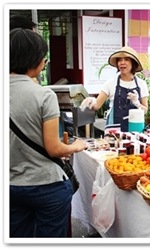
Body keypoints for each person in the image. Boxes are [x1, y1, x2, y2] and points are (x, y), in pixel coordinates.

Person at [10, 28, 88, 237]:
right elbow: (54, 148)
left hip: (10, 186)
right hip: (46, 186)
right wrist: (75, 146)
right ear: (35, 60)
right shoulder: (44, 95)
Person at [81, 46, 149, 132]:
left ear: (133, 63)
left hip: (135, 129)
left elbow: (145, 110)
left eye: (126, 59)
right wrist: (91, 101)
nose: (122, 63)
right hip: (114, 130)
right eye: (120, 60)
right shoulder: (110, 83)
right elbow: (97, 105)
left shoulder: (141, 84)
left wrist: (137, 103)